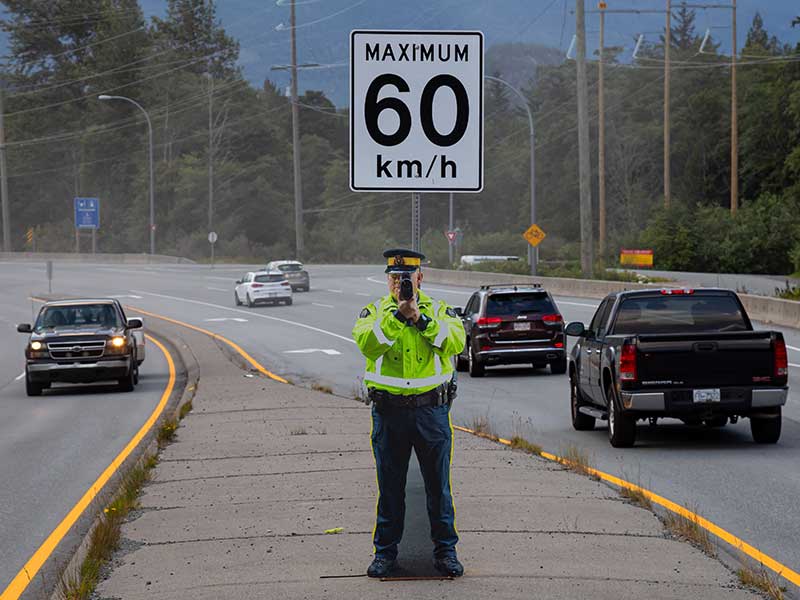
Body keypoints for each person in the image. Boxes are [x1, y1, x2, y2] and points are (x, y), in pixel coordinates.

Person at [352, 248, 466, 578]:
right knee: (390, 488)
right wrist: (399, 316)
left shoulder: (440, 310)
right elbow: (369, 344)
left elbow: (455, 342)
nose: (399, 284)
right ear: (387, 280)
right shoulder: (374, 312)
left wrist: (420, 318)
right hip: (389, 413)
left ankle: (446, 552)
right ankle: (385, 554)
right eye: (393, 278)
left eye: (406, 278)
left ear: (420, 277)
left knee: (438, 487)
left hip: (431, 412)